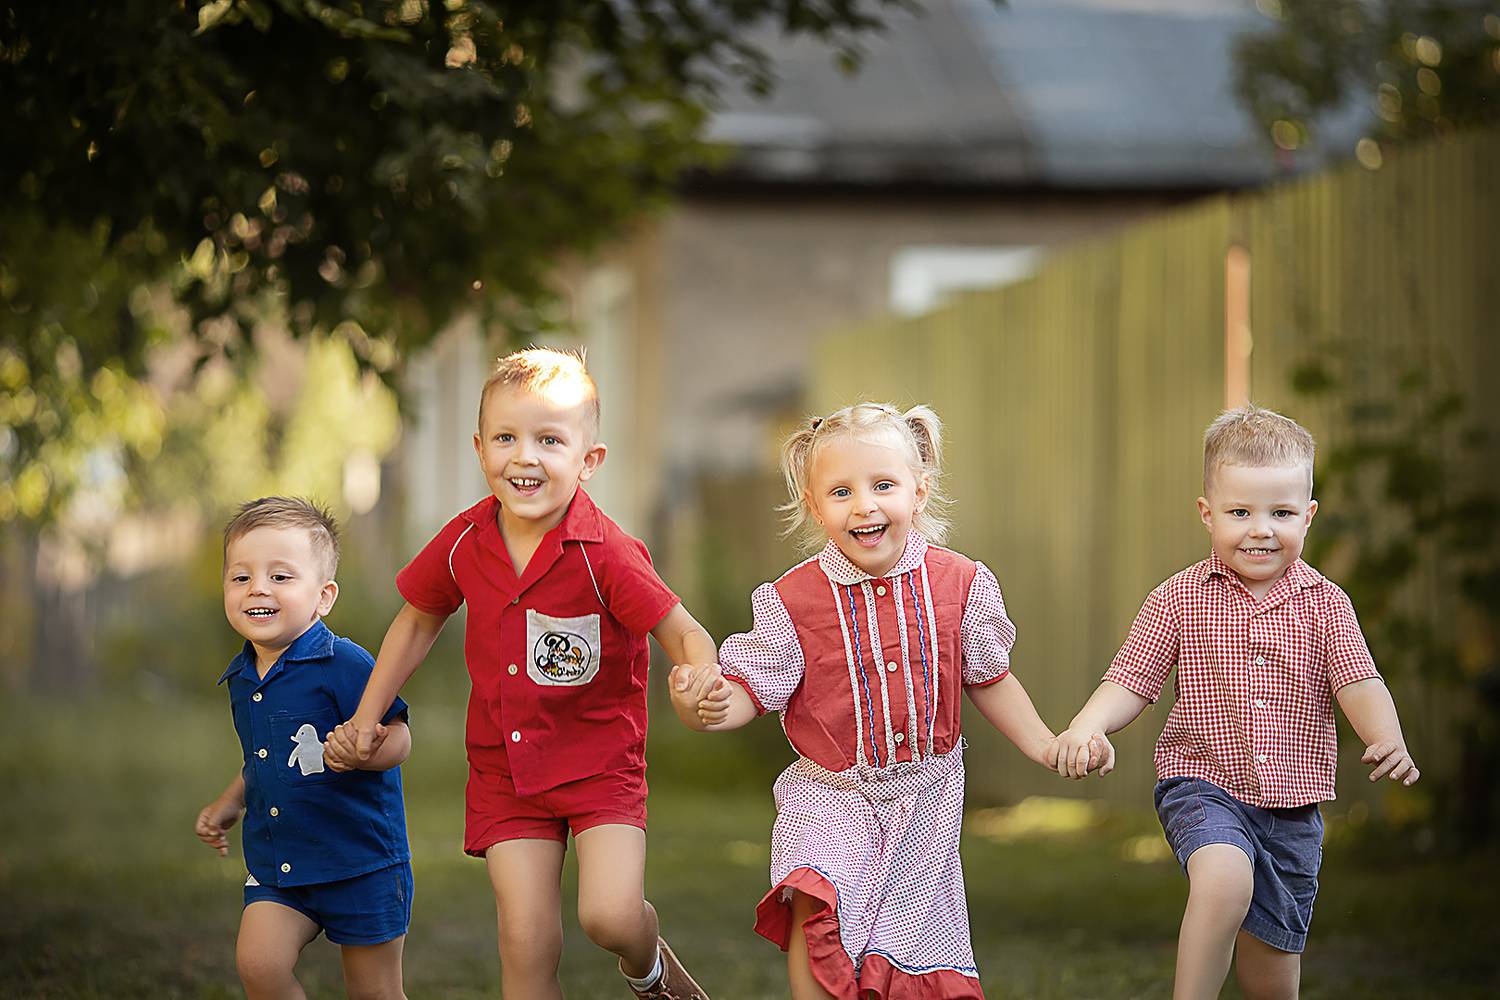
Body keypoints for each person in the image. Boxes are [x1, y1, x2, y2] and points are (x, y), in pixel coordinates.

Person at [670, 402, 1105, 1000]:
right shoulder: (793, 599)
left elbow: (988, 677)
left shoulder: (961, 584)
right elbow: (755, 686)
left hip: (926, 803)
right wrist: (716, 704)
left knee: (907, 950)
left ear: (918, 491)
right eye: (841, 492)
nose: (864, 505)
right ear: (815, 507)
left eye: (883, 486)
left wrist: (1044, 744)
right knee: (817, 900)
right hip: (830, 795)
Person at [334, 348, 715, 1000]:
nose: (524, 457)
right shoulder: (464, 540)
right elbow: (417, 621)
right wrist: (366, 717)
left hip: (599, 765)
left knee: (609, 916)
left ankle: (650, 967)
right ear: (480, 448)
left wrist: (697, 673)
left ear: (589, 460)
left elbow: (685, 633)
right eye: (506, 438)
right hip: (505, 771)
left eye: (549, 440)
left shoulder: (608, 553)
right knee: (525, 941)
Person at [1051, 404, 1421, 1000]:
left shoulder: (1326, 603)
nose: (1261, 529)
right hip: (1203, 784)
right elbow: (1131, 679)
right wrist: (1087, 725)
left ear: (1309, 515)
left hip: (1293, 809)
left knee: (1271, 974)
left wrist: (1387, 736)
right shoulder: (1178, 598)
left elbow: (1358, 680)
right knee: (1223, 881)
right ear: (1208, 513)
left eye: (1281, 513)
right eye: (1240, 512)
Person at [195, 496, 412, 1000]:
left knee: (374, 991)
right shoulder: (242, 676)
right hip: (281, 863)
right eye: (241, 577)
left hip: (359, 862)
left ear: (323, 596)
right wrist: (230, 802)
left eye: (280, 576)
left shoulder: (344, 663)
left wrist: (364, 752)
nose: (258, 588)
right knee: (259, 964)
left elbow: (400, 736)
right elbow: (264, 758)